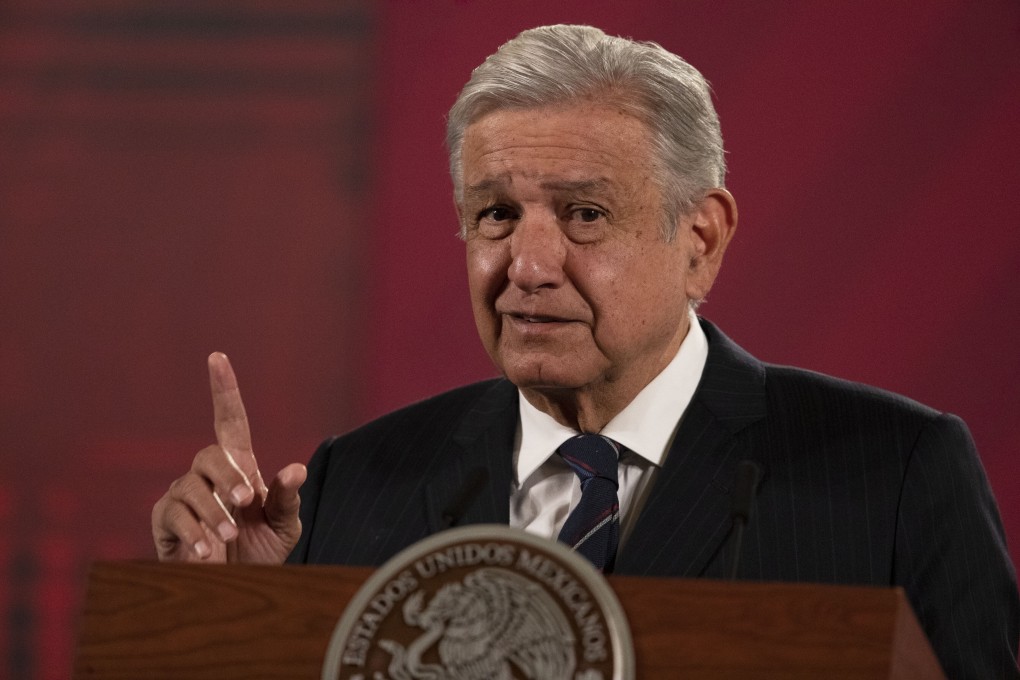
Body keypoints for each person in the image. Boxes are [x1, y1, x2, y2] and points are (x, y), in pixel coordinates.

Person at [151, 24, 1019, 678]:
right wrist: (230, 623)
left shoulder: (893, 475)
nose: (527, 266)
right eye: (496, 214)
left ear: (701, 239)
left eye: (585, 215)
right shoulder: (354, 486)